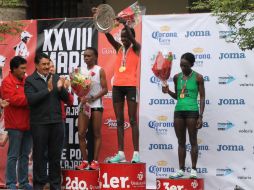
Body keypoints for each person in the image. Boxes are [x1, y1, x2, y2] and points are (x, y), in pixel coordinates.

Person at [24, 53, 69, 190]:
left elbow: (66, 99)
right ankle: (39, 186)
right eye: (43, 64)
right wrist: (48, 90)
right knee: (39, 157)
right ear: (36, 65)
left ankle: (56, 185)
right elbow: (31, 100)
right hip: (39, 124)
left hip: (56, 123)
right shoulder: (30, 80)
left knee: (55, 157)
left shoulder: (56, 78)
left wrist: (61, 89)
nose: (46, 67)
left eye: (48, 64)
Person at [162, 52, 205, 179]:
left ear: (191, 64)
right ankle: (181, 170)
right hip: (179, 111)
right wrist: (168, 91)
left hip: (192, 111)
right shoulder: (176, 77)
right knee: (181, 142)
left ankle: (193, 170)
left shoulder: (198, 77)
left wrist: (201, 116)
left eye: (186, 65)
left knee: (193, 141)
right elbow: (177, 96)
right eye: (181, 65)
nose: (183, 68)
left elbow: (202, 97)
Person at [105, 18, 141, 163]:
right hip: (117, 87)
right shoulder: (119, 48)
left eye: (127, 36)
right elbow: (107, 35)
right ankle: (121, 153)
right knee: (119, 120)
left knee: (132, 120)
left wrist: (125, 24)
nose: (124, 39)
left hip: (131, 86)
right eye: (122, 37)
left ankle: (136, 154)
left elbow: (133, 39)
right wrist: (99, 19)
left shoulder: (137, 48)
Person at [1, 56, 32, 190]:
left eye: (25, 68)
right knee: (13, 155)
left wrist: (29, 98)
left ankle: (24, 182)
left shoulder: (27, 80)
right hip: (14, 124)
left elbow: (23, 98)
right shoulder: (7, 82)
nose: (25, 71)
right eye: (22, 68)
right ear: (14, 69)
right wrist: (31, 98)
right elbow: (14, 100)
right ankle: (10, 183)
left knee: (25, 155)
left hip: (28, 123)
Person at [75, 47, 108, 170]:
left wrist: (93, 98)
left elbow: (105, 89)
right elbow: (77, 88)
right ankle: (84, 161)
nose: (86, 58)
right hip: (84, 105)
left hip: (96, 105)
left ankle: (94, 161)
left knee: (96, 134)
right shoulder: (80, 71)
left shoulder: (100, 70)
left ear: (95, 57)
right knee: (81, 133)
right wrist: (80, 97)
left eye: (89, 56)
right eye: (84, 56)